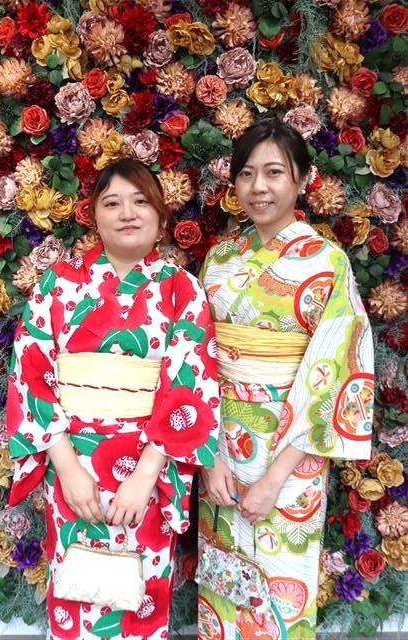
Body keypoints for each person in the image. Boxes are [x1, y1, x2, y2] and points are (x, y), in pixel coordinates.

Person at [6, 158, 219, 640]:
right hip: (72, 460)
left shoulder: (181, 289)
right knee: (76, 588)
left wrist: (144, 476)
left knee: (139, 593)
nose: (127, 212)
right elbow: (31, 374)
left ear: (161, 215)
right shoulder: (58, 283)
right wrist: (66, 467)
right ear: (94, 215)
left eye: (141, 201)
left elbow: (189, 385)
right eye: (112, 202)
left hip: (149, 465)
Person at [198, 120, 374, 640]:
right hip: (222, 441)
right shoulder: (221, 258)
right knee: (223, 585)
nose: (259, 187)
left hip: (291, 449)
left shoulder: (326, 262)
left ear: (302, 178)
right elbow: (198, 358)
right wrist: (208, 455)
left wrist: (276, 477)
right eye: (246, 174)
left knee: (280, 586)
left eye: (274, 172)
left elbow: (334, 370)